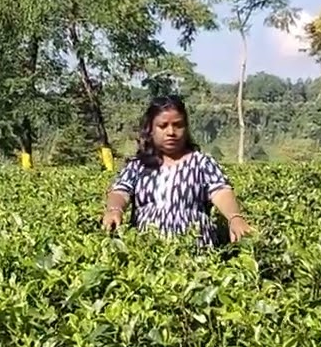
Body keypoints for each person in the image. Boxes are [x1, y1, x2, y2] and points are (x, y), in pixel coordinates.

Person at [101, 95, 252, 245]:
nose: (171, 132)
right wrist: (115, 210)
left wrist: (234, 217)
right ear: (151, 130)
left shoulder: (201, 163)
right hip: (147, 253)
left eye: (178, 125)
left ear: (186, 128)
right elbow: (121, 191)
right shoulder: (138, 166)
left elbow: (220, 191)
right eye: (163, 126)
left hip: (197, 256)